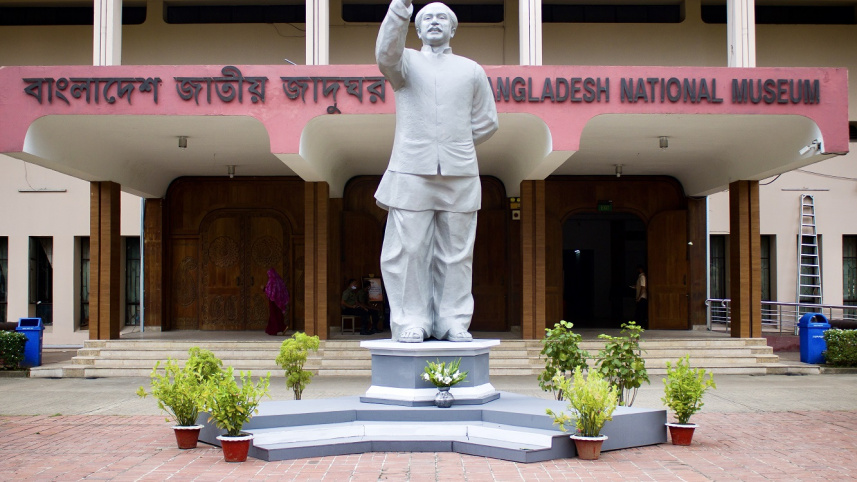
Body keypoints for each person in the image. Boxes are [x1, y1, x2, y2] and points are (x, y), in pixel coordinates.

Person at [375, 0, 499, 343]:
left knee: (457, 253)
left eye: (441, 17)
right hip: (412, 168)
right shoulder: (404, 62)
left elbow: (488, 121)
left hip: (459, 171)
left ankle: (452, 321)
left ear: (453, 28)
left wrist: (453, 143)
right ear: (416, 28)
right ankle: (411, 320)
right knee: (409, 250)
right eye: (426, 17)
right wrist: (399, 10)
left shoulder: (471, 69)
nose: (433, 22)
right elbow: (385, 53)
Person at [263, 268, 289, 335]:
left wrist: (264, 289)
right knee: (278, 314)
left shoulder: (272, 281)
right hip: (279, 301)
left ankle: (274, 330)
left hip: (273, 301)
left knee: (273, 315)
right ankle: (282, 328)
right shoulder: (279, 280)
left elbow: (270, 291)